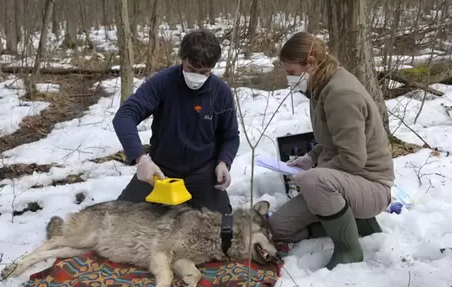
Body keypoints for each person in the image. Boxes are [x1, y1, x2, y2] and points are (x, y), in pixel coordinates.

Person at [268, 32, 395, 270]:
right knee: (278, 228)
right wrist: (310, 159)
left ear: (311, 63)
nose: (288, 78)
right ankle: (358, 225)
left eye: (291, 72)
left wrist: (312, 176)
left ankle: (348, 249)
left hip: (371, 184)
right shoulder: (319, 86)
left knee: (315, 182)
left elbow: (353, 159)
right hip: (342, 180)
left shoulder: (341, 94)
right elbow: (333, 142)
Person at [112, 29, 240, 214]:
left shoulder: (221, 93)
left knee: (222, 228)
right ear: (182, 59)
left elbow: (231, 136)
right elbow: (125, 115)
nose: (196, 76)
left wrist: (224, 162)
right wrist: (141, 159)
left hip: (202, 173)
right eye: (190, 69)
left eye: (204, 72)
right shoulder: (163, 82)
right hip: (161, 171)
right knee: (119, 218)